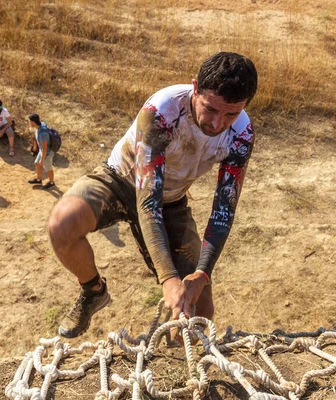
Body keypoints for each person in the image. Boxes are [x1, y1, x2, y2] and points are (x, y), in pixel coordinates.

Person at [47, 52, 258, 338]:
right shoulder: (162, 112)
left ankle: (172, 361)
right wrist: (169, 278)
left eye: (231, 114)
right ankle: (93, 291)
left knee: (201, 309)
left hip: (171, 200)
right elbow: (147, 203)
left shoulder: (241, 134)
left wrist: (201, 275)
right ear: (195, 88)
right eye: (210, 108)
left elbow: (223, 212)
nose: (218, 123)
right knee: (62, 223)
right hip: (121, 179)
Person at [27, 114, 56, 189]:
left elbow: (45, 148)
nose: (29, 123)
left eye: (29, 121)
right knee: (37, 163)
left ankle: (51, 183)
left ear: (33, 122)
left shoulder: (42, 134)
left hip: (47, 153)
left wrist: (42, 160)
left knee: (48, 168)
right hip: (42, 150)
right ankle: (39, 179)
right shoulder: (41, 125)